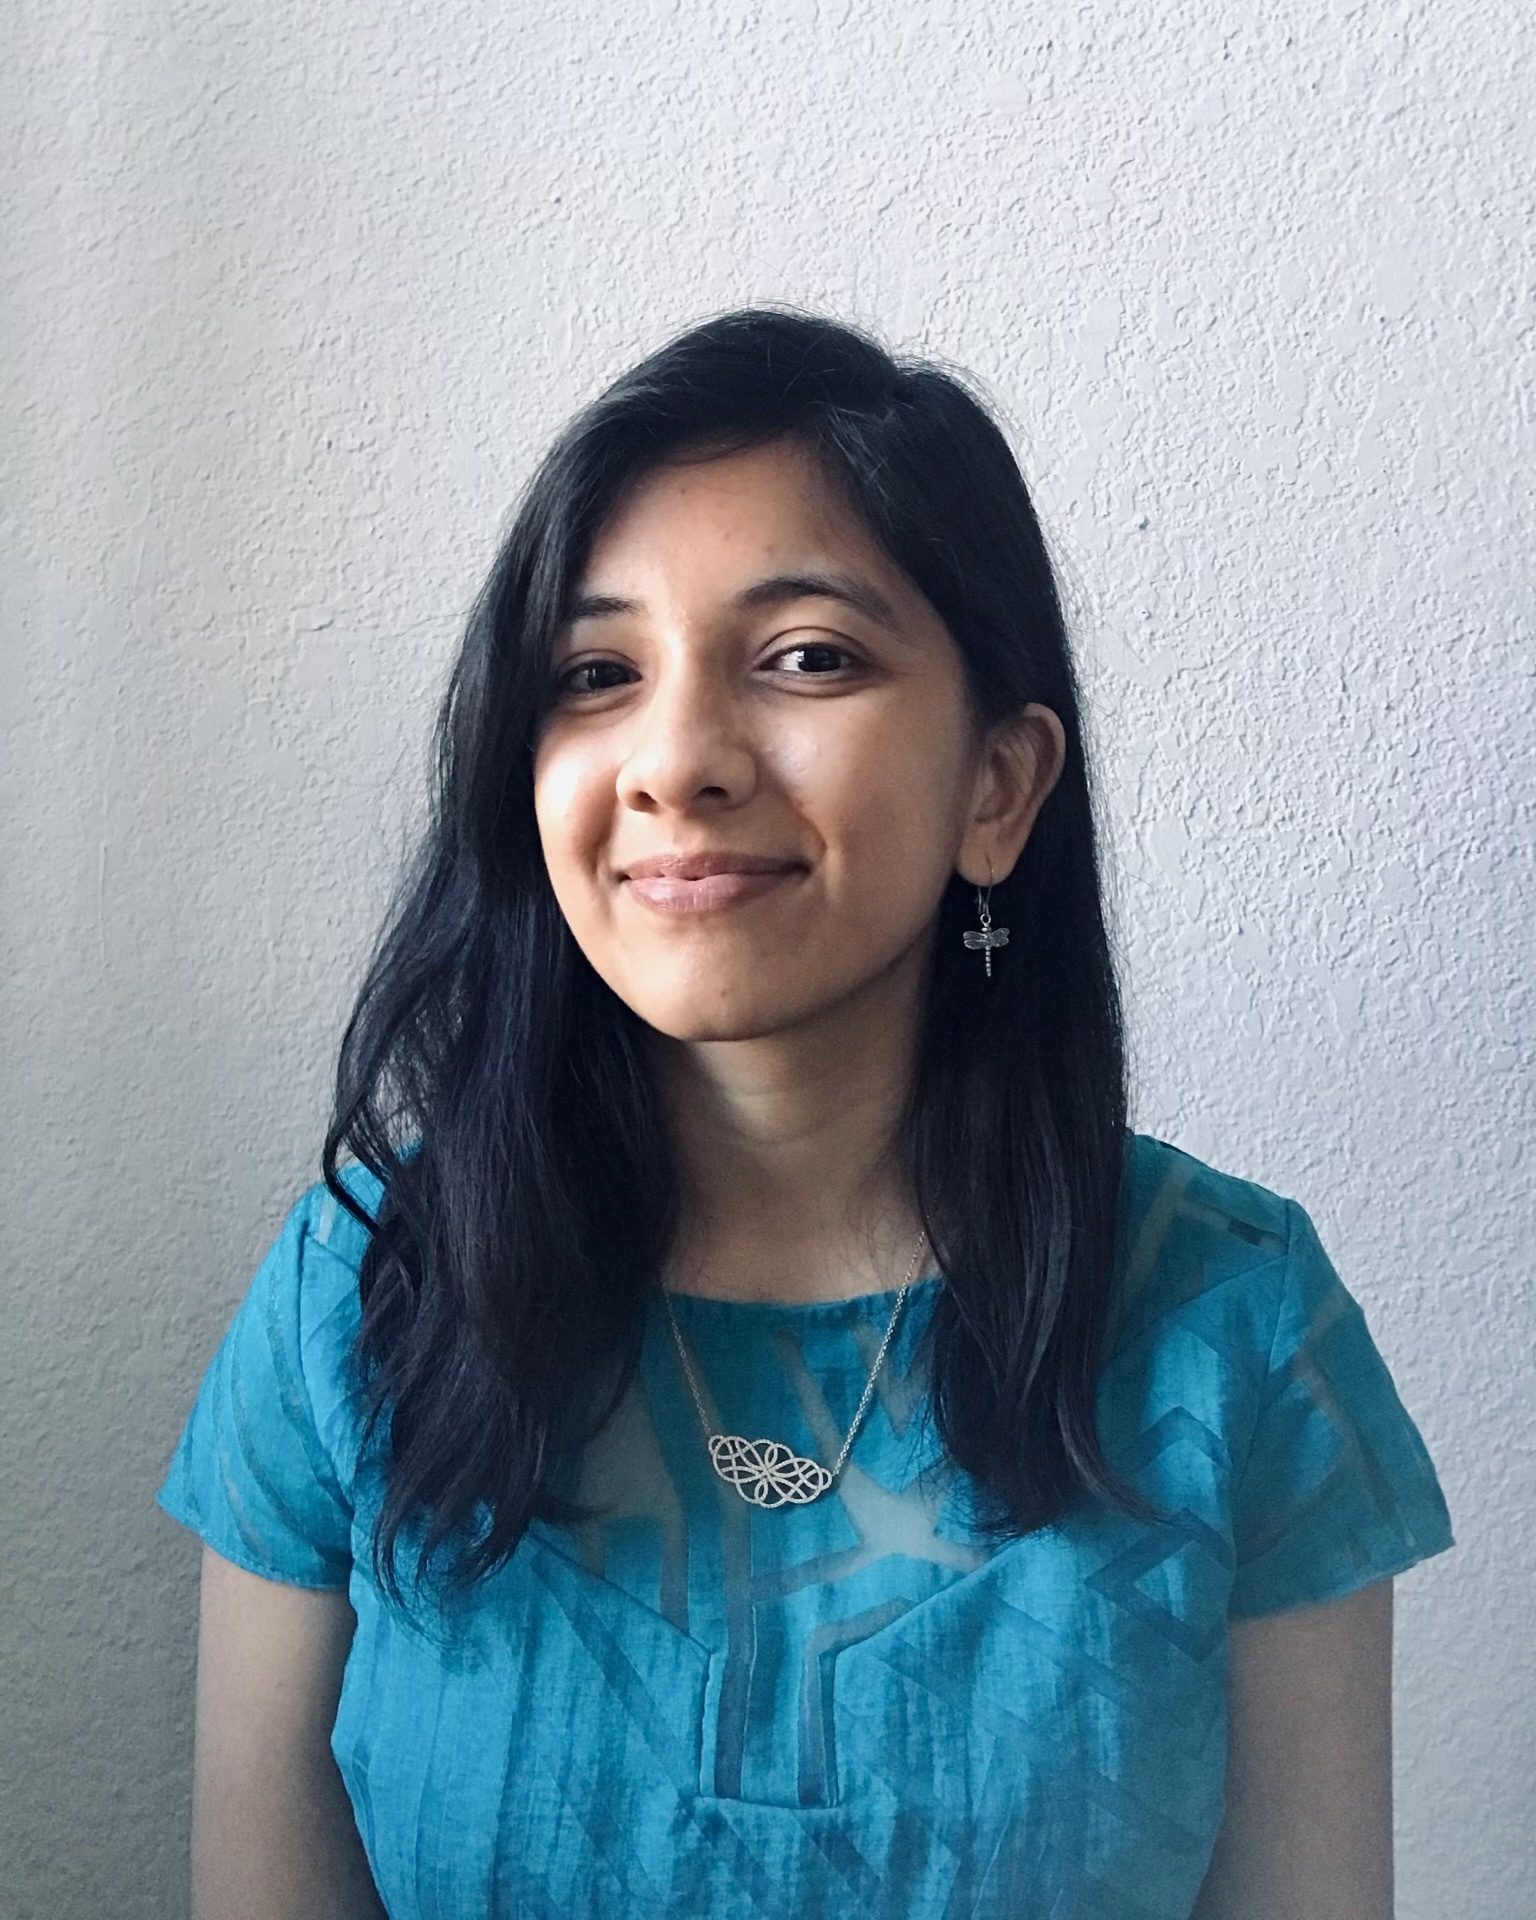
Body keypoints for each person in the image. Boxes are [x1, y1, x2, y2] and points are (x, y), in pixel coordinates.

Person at [155, 305, 1455, 1920]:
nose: (676, 760)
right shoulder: (359, 1292)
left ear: (998, 788)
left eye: (807, 658)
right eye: (597, 673)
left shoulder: (1235, 1329)